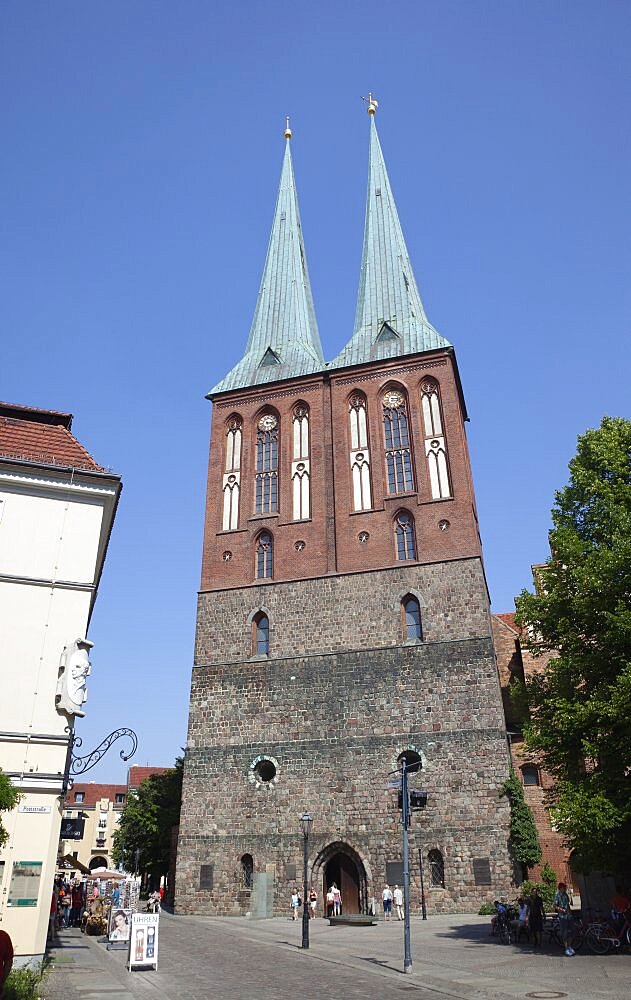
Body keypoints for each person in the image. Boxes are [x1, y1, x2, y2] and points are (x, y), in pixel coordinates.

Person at [554, 881, 574, 956]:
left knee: (572, 931)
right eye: (564, 887)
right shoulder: (557, 895)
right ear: (560, 888)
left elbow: (568, 905)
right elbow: (555, 906)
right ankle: (566, 948)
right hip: (562, 916)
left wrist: (570, 912)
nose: (565, 888)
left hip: (568, 915)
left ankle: (569, 946)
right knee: (564, 932)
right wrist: (561, 910)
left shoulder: (566, 895)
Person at [0, 928, 13, 999]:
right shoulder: (3, 936)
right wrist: (2, 982)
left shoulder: (3, 936)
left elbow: (9, 961)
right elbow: (9, 962)